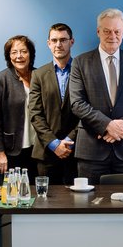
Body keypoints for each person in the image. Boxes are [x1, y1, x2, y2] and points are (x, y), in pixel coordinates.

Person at [69, 8, 123, 185]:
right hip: (91, 150)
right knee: (88, 206)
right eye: (107, 31)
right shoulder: (80, 62)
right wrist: (107, 125)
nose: (112, 36)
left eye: (117, 31)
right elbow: (77, 103)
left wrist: (121, 128)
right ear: (98, 31)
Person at [28, 23, 80, 185]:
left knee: (77, 204)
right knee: (46, 204)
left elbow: (88, 111)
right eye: (54, 40)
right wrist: (55, 144)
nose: (59, 44)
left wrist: (69, 140)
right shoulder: (38, 75)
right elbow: (35, 114)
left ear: (71, 42)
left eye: (63, 40)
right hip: (46, 153)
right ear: (48, 43)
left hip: (77, 151)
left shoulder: (83, 71)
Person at [0, 35, 37, 185]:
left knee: (35, 196)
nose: (19, 56)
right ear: (9, 56)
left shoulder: (39, 76)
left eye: (23, 51)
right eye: (14, 52)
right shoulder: (1, 79)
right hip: (11, 150)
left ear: (30, 54)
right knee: (11, 195)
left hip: (37, 150)